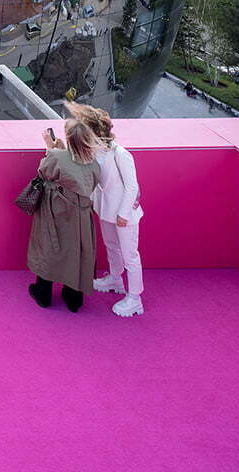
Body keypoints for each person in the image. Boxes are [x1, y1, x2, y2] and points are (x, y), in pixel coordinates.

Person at [67, 102, 145, 317]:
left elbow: (132, 186)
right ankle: (115, 278)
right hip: (105, 210)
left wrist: (123, 214)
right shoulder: (94, 152)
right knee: (111, 246)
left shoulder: (120, 153)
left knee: (130, 255)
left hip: (123, 213)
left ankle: (135, 298)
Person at [26, 117, 102, 313]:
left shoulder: (57, 157)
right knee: (76, 251)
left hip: (56, 210)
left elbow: (44, 172)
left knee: (49, 247)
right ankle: (73, 299)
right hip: (82, 214)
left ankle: (43, 294)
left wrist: (50, 148)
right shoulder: (93, 163)